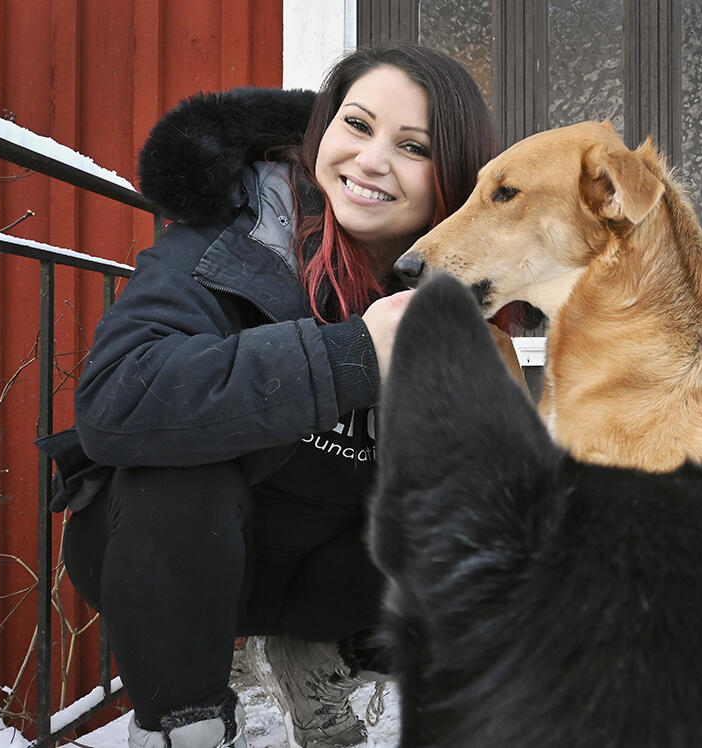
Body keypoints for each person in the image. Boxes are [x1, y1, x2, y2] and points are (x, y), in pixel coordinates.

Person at [42, 44, 498, 748]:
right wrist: (348, 356)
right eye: (357, 124)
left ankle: (323, 664)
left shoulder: (460, 293)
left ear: (452, 178)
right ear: (321, 132)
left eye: (413, 147)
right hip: (171, 549)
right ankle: (184, 727)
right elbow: (115, 401)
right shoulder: (234, 236)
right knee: (181, 447)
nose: (372, 160)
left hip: (324, 574)